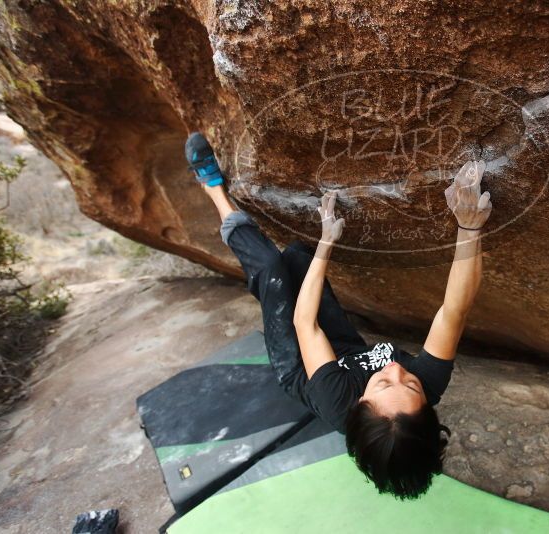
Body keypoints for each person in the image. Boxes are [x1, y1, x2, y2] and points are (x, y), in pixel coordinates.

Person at [186, 132, 492, 499]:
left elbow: (305, 324)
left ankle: (213, 188)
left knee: (270, 267)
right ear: (426, 406)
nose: (396, 370)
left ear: (361, 403)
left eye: (382, 385)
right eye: (410, 385)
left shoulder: (336, 400)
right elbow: (453, 312)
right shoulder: (425, 389)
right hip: (348, 350)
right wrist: (469, 227)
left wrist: (327, 241)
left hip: (298, 362)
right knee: (298, 256)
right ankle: (286, 259)